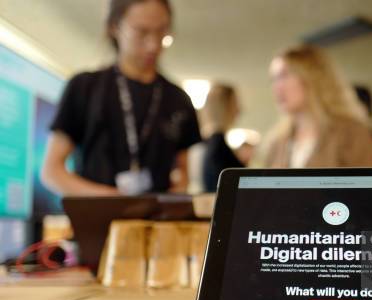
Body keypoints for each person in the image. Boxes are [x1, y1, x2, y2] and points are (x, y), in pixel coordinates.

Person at [42, 0, 200, 196]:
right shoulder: (84, 87)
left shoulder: (179, 99)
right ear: (115, 27)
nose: (153, 45)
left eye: (162, 32)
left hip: (157, 223)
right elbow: (52, 171)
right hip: (95, 222)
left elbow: (183, 173)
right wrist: (114, 201)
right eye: (141, 32)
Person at [260, 45, 372, 168]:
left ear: (312, 77)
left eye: (284, 76)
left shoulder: (351, 133)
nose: (276, 88)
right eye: (273, 79)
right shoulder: (277, 142)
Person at [200, 84, 244, 192]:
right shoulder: (218, 144)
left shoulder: (208, 142)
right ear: (224, 106)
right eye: (235, 103)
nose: (240, 109)